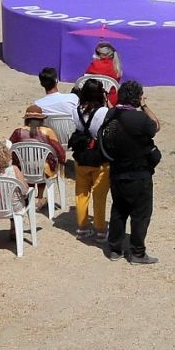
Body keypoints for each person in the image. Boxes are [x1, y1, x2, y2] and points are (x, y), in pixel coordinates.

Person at [101, 80, 160, 264]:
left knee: (119, 210)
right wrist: (144, 105)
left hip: (117, 172)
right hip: (139, 173)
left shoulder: (110, 115)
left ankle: (115, 250)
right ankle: (137, 253)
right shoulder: (141, 119)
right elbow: (156, 125)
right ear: (137, 97)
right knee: (141, 214)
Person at [70, 79, 111, 241]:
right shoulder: (103, 112)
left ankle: (82, 227)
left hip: (81, 156)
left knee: (81, 193)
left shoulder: (75, 110)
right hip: (99, 157)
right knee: (99, 195)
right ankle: (100, 229)